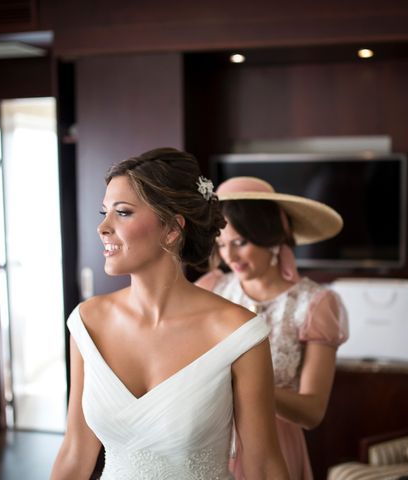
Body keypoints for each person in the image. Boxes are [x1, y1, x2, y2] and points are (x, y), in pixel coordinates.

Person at [51, 149, 289, 479]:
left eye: (122, 213)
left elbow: (263, 466)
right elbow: (76, 451)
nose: (103, 227)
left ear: (172, 229)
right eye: (104, 213)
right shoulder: (88, 322)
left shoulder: (238, 333)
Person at [196, 176, 349, 480]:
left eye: (240, 242)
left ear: (270, 236)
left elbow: (312, 412)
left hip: (274, 448)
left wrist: (248, 384)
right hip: (209, 440)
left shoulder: (315, 304)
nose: (230, 256)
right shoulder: (211, 289)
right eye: (222, 244)